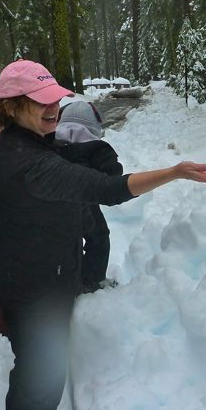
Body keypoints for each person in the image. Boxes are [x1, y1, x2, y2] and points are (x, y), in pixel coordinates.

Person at [0, 59, 206, 410]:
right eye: (40, 101)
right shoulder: (31, 165)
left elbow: (61, 154)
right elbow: (110, 189)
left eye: (55, 99)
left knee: (35, 378)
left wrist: (89, 149)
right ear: (12, 106)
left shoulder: (10, 146)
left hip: (24, 278)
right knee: (37, 385)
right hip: (36, 292)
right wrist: (176, 171)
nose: (52, 108)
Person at [54, 100, 120, 293]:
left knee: (64, 242)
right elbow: (112, 175)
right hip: (84, 202)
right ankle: (92, 280)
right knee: (98, 237)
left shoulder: (52, 144)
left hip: (54, 200)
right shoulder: (98, 149)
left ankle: (61, 278)